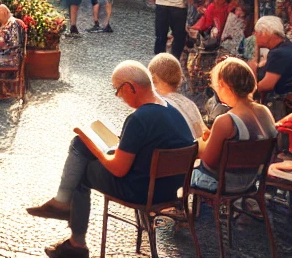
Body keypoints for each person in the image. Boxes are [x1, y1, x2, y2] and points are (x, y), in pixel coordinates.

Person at [26, 60, 194, 258]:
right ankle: (63, 208)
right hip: (168, 191)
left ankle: (75, 241)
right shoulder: (173, 112)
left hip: (140, 191)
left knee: (82, 166)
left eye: (118, 91)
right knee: (83, 148)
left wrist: (96, 148)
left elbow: (118, 169)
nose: (119, 97)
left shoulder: (139, 119)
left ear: (130, 87)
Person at [191, 57, 276, 192]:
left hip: (223, 183)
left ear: (224, 85)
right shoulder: (265, 112)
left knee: (184, 171)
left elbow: (208, 161)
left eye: (216, 87)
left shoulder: (226, 121)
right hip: (251, 181)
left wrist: (202, 144)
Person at [250, 16, 292, 113]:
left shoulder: (278, 53)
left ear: (266, 33)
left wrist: (246, 91)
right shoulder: (286, 45)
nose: (255, 36)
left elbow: (267, 85)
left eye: (256, 33)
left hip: (282, 104)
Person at [147, 53, 205, 139]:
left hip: (165, 151)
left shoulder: (154, 107)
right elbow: (202, 136)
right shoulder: (190, 105)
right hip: (191, 151)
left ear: (153, 79)